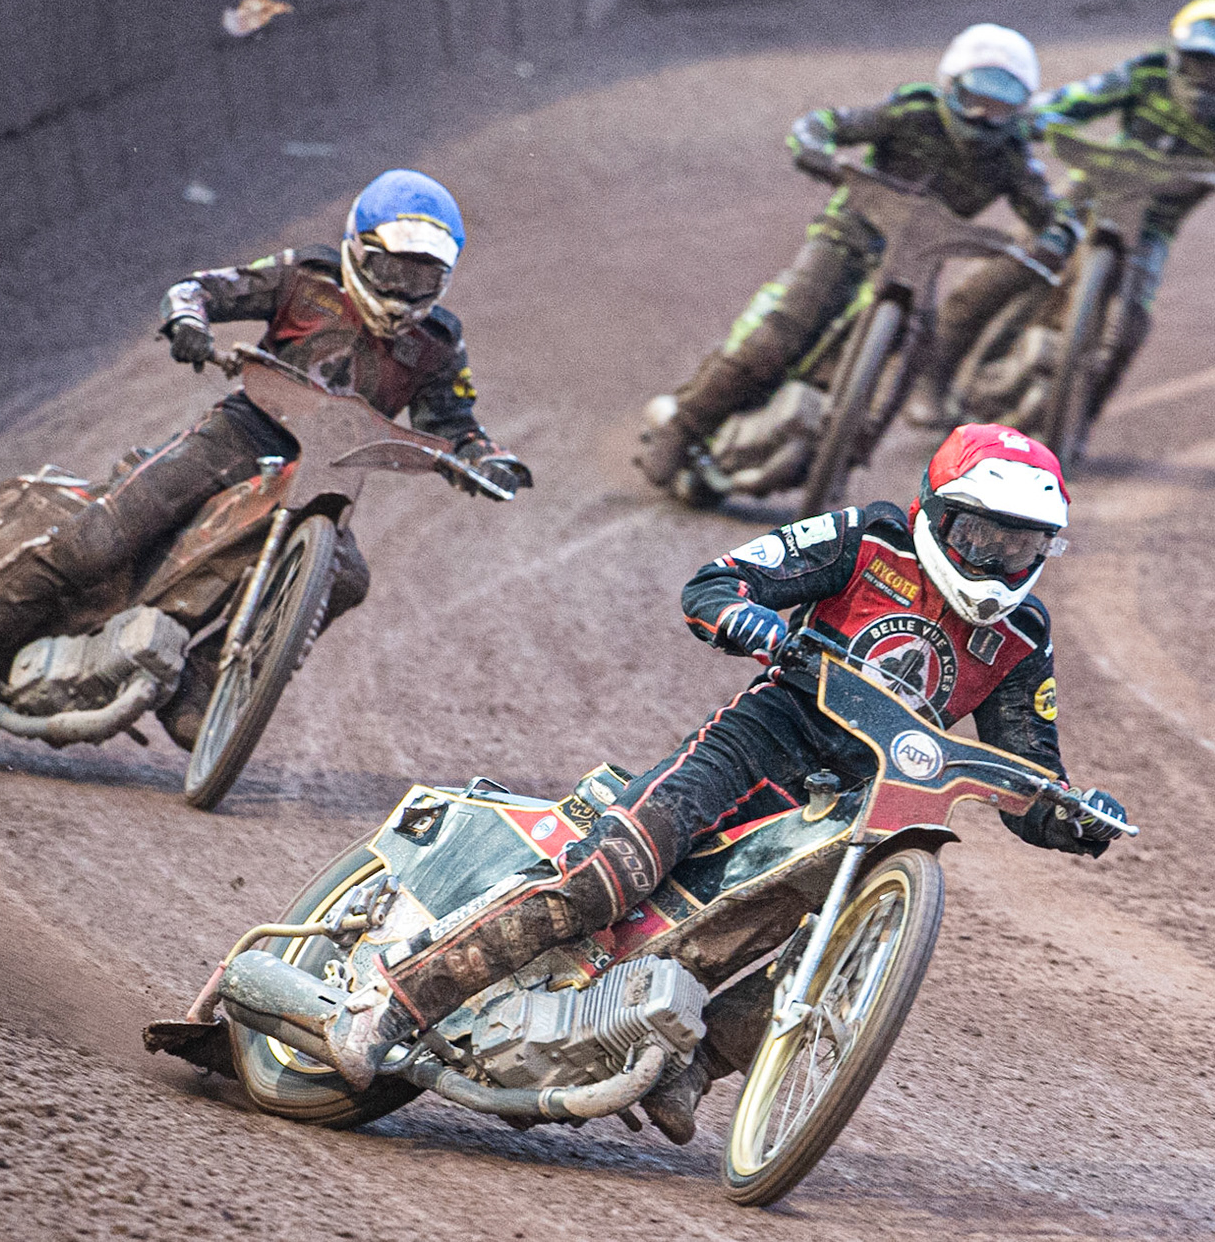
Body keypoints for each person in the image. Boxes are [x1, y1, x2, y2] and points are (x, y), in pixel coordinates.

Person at [322, 423, 1129, 1144]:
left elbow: (1031, 773)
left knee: (836, 945)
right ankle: (397, 1000)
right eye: (981, 535)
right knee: (611, 877)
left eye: (1022, 546)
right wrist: (747, 618)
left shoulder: (1024, 636)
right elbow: (717, 582)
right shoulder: (868, 538)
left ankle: (694, 1070)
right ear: (934, 513)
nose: (998, 560)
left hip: (853, 808)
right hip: (758, 742)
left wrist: (1073, 814)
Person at [0, 169, 531, 745]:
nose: (404, 291)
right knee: (103, 538)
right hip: (242, 432)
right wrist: (189, 324)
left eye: (424, 278)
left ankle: (202, 684)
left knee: (347, 575)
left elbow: (455, 422)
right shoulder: (303, 276)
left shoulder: (440, 342)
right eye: (393, 271)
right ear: (357, 253)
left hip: (329, 476)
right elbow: (196, 289)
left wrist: (486, 459)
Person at [635, 24, 1078, 495]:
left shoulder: (1013, 156)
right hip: (847, 236)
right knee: (779, 335)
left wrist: (1055, 238)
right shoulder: (912, 112)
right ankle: (681, 429)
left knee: (910, 351)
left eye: (1002, 107)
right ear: (951, 85)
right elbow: (827, 124)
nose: (984, 117)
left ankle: (846, 452)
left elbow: (1055, 214)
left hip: (919, 263)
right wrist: (815, 150)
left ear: (1020, 110)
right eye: (975, 99)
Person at [1029, 0, 1215, 450]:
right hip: (1092, 190)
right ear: (1175, 56)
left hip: (1151, 228)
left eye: (1214, 68)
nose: (1201, 78)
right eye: (1194, 63)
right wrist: (1032, 117)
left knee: (1130, 325)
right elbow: (1077, 99)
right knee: (1024, 255)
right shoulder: (1147, 72)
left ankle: (1079, 420)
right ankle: (938, 373)